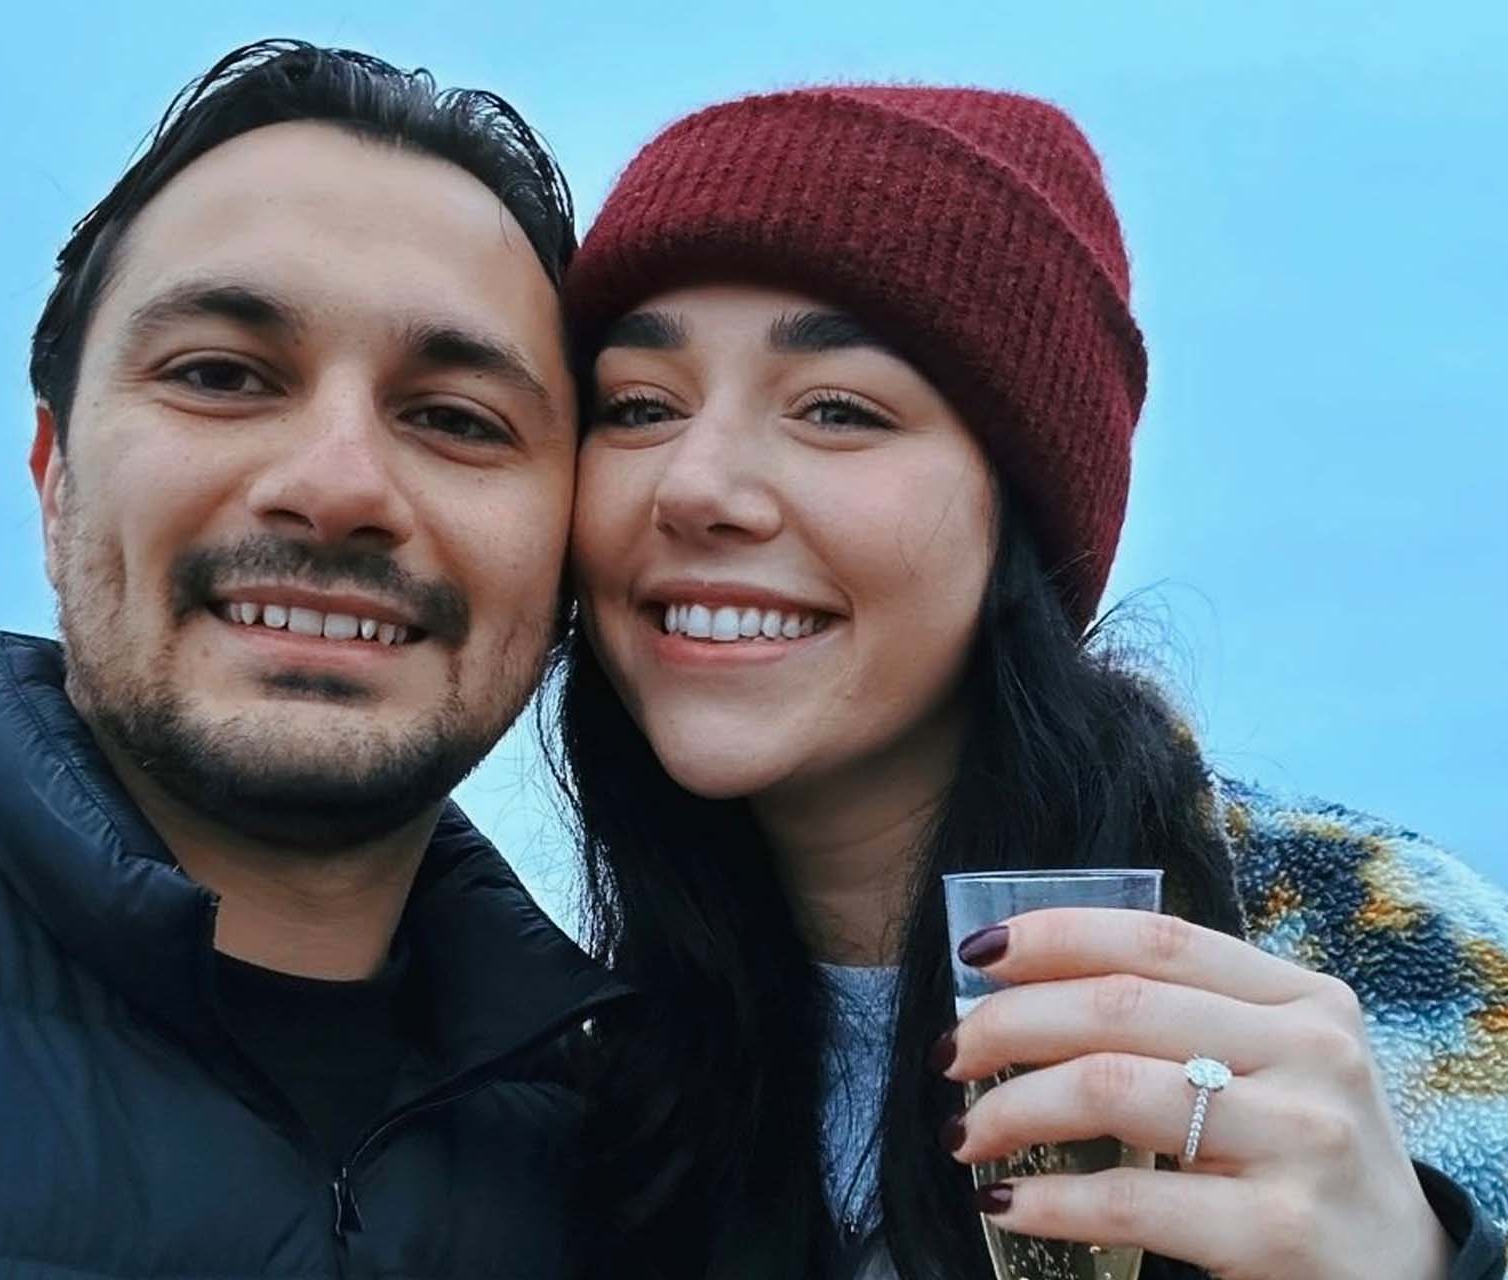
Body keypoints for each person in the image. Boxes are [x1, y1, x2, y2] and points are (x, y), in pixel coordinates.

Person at [0, 40, 625, 1279]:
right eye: (222, 376)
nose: (338, 485)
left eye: (457, 419)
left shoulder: (649, 1168)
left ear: (569, 546)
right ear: (53, 480)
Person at [551, 86, 1508, 1279]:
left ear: (1024, 520)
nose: (695, 485)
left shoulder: (1379, 961)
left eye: (838, 410)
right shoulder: (549, 1044)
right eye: (639, 405)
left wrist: (1430, 1261)